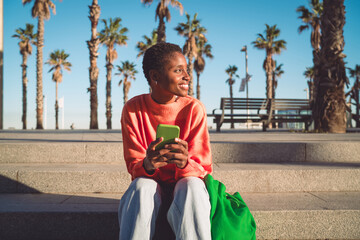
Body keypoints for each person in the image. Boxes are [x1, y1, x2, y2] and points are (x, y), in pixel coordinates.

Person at [118, 42, 213, 240]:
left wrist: (185, 162)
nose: (187, 76)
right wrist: (148, 164)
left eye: (186, 70)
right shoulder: (133, 109)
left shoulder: (194, 109)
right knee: (141, 186)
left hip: (185, 191)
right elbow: (134, 165)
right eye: (178, 71)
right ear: (155, 77)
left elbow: (204, 168)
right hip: (152, 190)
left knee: (192, 186)